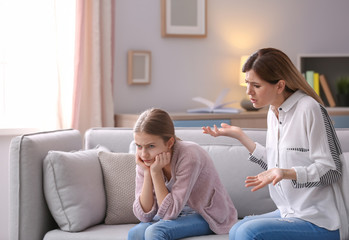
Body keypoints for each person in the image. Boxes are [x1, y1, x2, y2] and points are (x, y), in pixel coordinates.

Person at [203, 48, 348, 240]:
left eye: (256, 85)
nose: (248, 92)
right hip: (289, 212)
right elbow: (275, 164)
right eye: (247, 83)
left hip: (319, 219)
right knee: (237, 228)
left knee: (248, 232)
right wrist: (240, 136)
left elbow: (331, 170)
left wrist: (286, 173)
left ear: (280, 85)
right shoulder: (273, 111)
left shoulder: (309, 108)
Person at [127, 108, 237, 240]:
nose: (144, 154)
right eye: (139, 146)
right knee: (135, 233)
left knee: (154, 232)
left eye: (151, 146)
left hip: (204, 215)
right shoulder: (145, 160)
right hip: (173, 216)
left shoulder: (189, 155)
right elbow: (143, 215)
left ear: (169, 143)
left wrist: (155, 173)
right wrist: (147, 171)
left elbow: (169, 213)